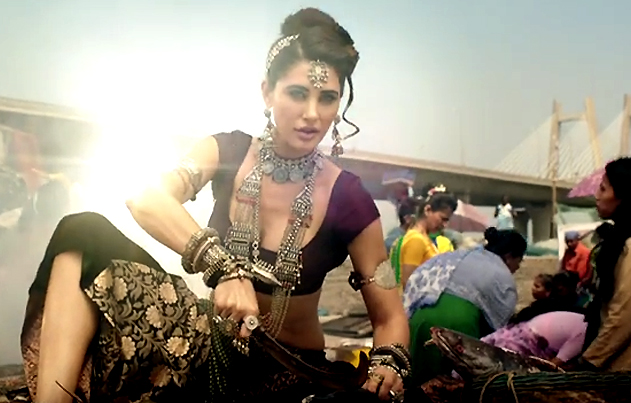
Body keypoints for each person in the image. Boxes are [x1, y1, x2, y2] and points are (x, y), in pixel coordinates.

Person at [19, 9, 410, 403]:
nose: (312, 114)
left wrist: (387, 365)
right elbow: (146, 198)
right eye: (297, 94)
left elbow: (390, 316)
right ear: (267, 92)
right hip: (208, 350)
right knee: (83, 233)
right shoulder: (227, 151)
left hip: (292, 373)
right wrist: (224, 268)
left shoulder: (349, 198)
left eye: (327, 99)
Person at [403, 227, 527, 384]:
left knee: (416, 385)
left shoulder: (454, 256)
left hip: (420, 319)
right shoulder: (503, 276)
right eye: (519, 261)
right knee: (454, 388)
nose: (518, 267)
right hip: (460, 326)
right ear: (509, 257)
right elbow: (500, 329)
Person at [580, 157, 631, 371]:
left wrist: (589, 361)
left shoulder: (629, 246)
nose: (596, 195)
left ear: (623, 197)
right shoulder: (617, 240)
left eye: (603, 189)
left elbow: (624, 315)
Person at [394, 185, 458, 289]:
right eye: (443, 219)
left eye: (447, 220)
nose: (444, 225)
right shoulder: (416, 240)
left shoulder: (424, 239)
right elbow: (409, 283)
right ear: (428, 210)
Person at [481, 311, 587, 367]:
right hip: (524, 343)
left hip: (517, 331)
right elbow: (554, 365)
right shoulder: (583, 333)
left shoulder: (580, 318)